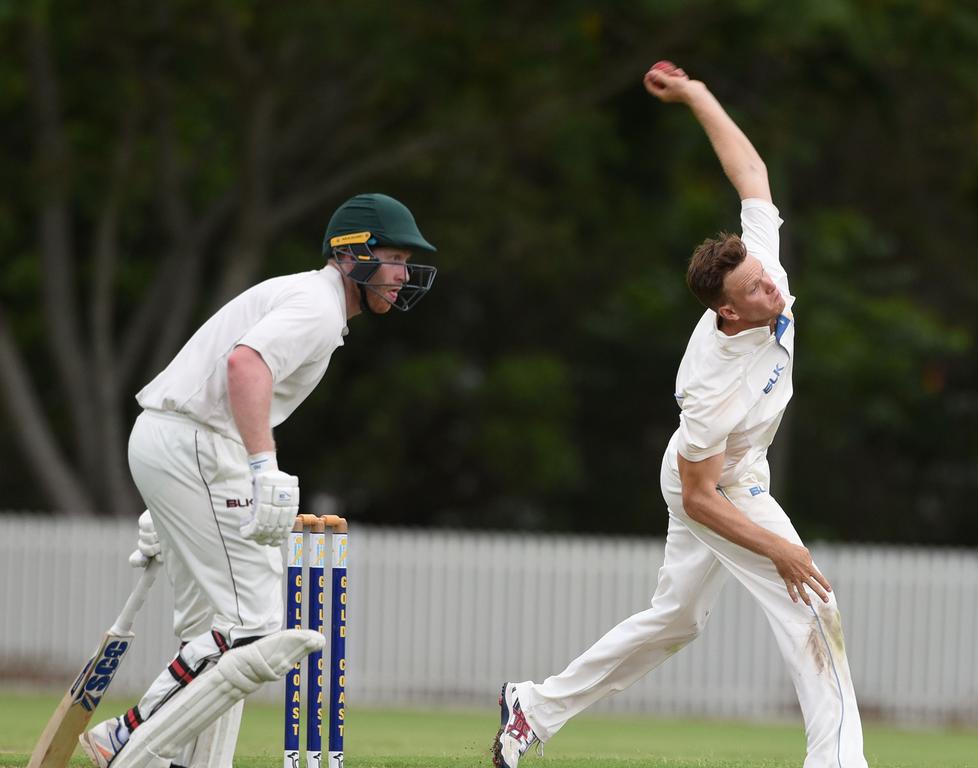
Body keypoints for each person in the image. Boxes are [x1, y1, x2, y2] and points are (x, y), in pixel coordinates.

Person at [492, 62, 869, 768]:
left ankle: (533, 707)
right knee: (813, 604)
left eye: (766, 275)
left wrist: (696, 95)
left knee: (677, 621)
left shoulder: (763, 271)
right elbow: (700, 496)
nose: (774, 287)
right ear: (727, 310)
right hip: (714, 483)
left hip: (730, 469)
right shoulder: (709, 386)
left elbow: (749, 170)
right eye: (757, 289)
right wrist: (780, 547)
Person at [79, 193, 438, 768]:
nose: (403, 273)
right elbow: (245, 366)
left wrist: (170, 504)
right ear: (351, 254)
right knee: (255, 628)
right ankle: (131, 735)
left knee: (210, 628)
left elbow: (225, 379)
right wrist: (262, 467)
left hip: (174, 441)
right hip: (195, 442)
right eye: (394, 256)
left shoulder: (306, 299)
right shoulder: (317, 307)